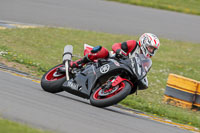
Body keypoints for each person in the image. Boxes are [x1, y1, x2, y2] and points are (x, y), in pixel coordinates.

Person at [70, 33, 160, 68]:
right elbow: (116, 45)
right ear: (144, 42)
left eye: (153, 49)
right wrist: (119, 51)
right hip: (111, 59)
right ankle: (78, 63)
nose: (151, 51)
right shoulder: (133, 44)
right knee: (103, 51)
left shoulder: (146, 59)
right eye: (150, 47)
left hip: (123, 69)